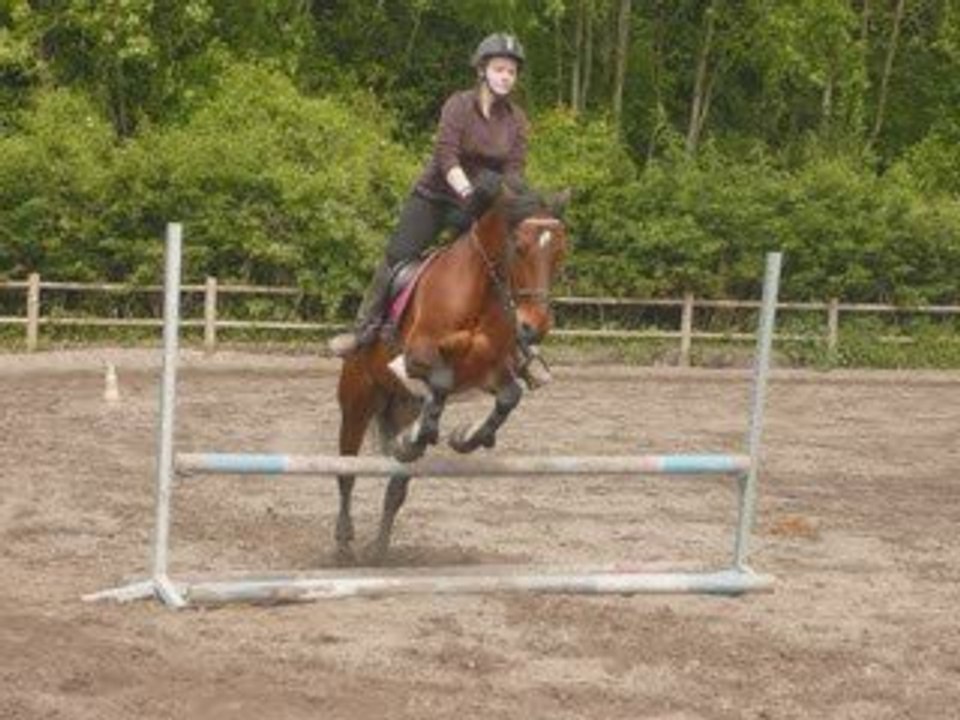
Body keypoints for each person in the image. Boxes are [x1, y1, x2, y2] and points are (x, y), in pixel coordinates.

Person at [328, 32, 547, 389]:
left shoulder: (517, 120)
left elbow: (514, 171)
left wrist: (502, 204)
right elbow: (446, 156)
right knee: (396, 256)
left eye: (511, 71)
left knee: (503, 261)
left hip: (481, 202)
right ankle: (364, 331)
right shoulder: (458, 106)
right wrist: (467, 193)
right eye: (499, 69)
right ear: (482, 70)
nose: (506, 76)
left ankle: (520, 349)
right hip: (437, 196)